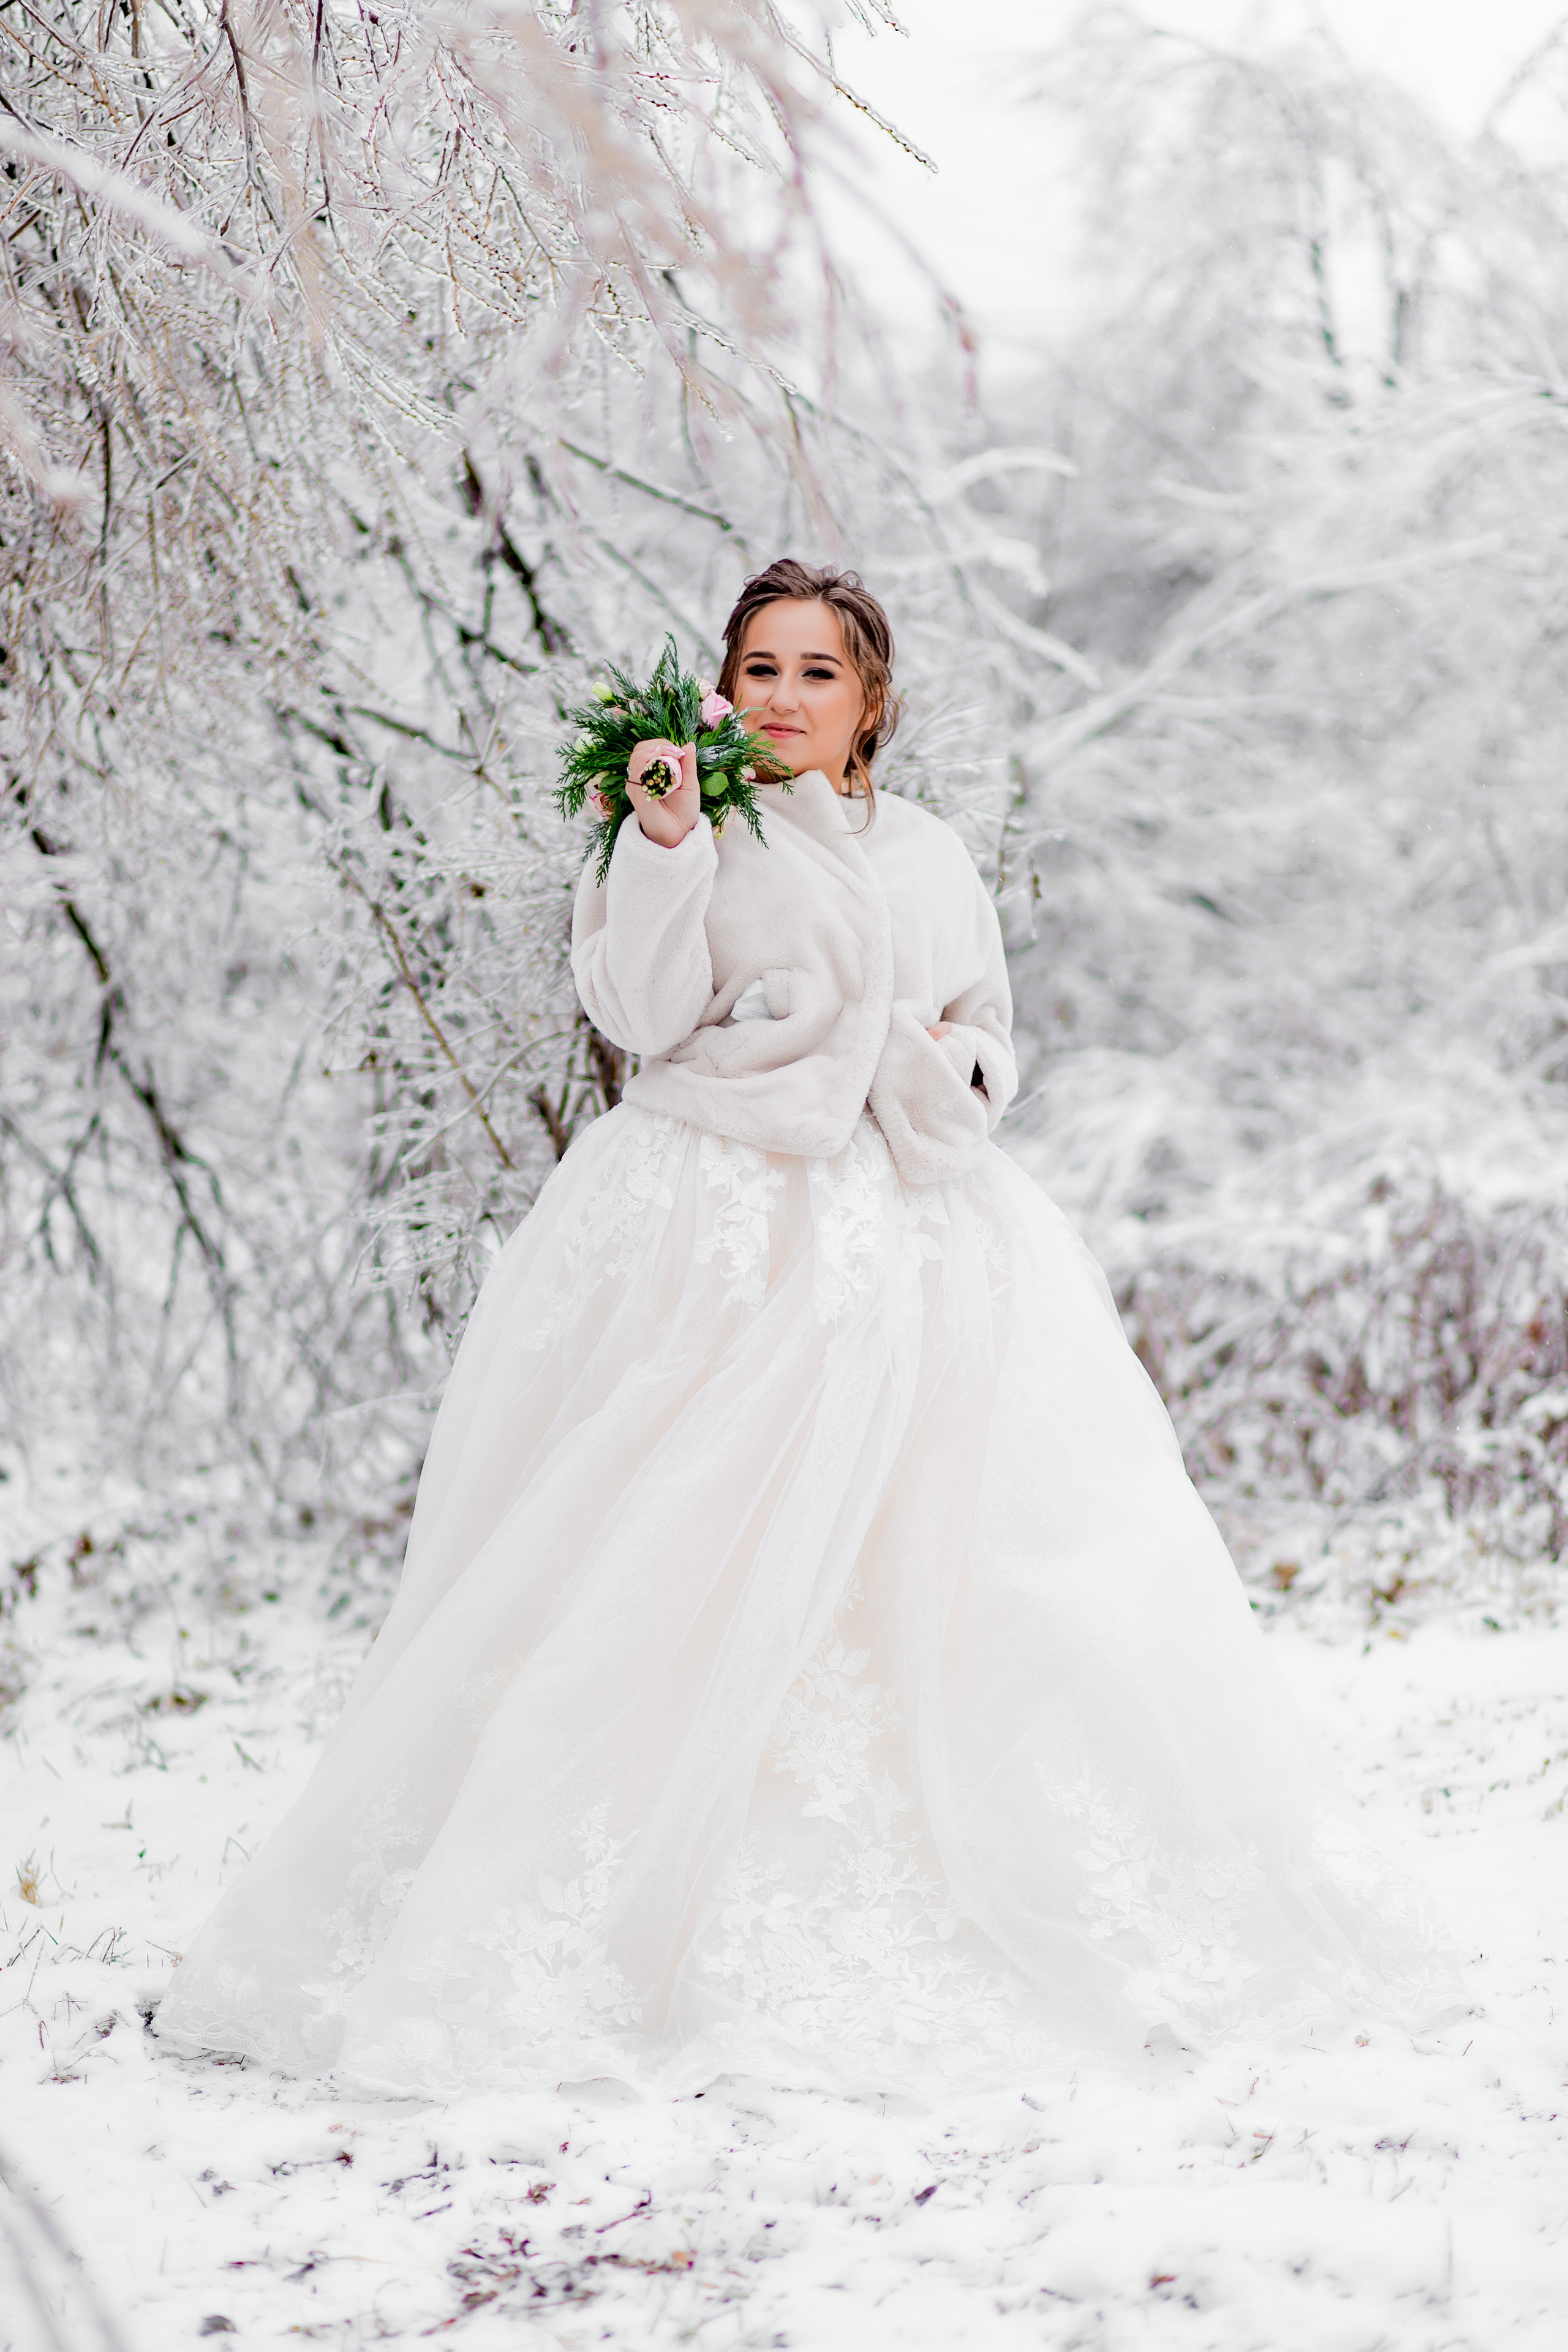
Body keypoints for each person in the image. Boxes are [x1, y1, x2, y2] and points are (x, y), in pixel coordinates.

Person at [155, 560, 1455, 2096]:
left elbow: (988, 1028)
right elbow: (635, 1014)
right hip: (713, 1217)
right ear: (721, 685)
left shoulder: (926, 853)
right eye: (756, 668)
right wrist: (659, 847)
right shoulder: (681, 825)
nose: (780, 697)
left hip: (911, 1220)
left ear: (869, 702)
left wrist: (943, 1063)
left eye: (815, 673)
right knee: (663, 1530)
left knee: (982, 1553)